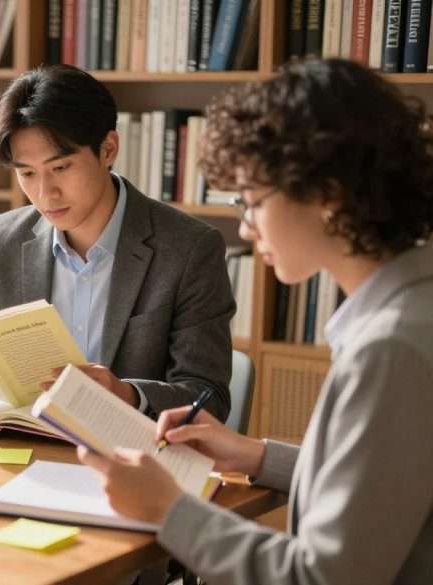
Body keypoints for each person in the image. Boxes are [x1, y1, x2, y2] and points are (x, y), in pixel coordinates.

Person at [78, 58, 433, 584]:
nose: (245, 227)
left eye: (251, 201)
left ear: (328, 195)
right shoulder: (409, 309)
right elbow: (386, 488)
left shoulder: (392, 347)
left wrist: (169, 509)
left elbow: (324, 578)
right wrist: (255, 455)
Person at [0, 65, 235, 421]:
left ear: (108, 148)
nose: (44, 193)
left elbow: (209, 399)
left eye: (61, 168)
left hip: (129, 458)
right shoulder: (5, 237)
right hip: (23, 446)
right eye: (27, 174)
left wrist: (126, 394)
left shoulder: (190, 249)